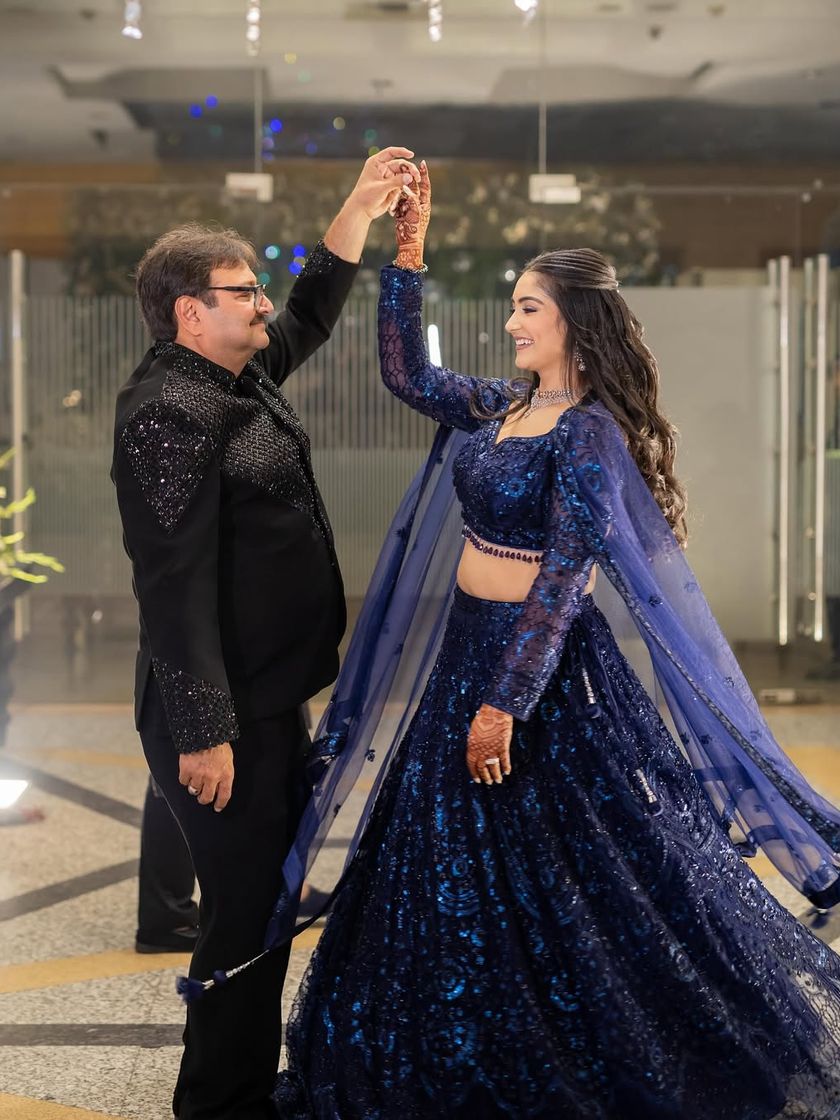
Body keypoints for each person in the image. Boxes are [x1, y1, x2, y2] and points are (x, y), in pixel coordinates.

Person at [274, 164, 840, 1118]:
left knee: (582, 872)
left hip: (538, 677)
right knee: (443, 862)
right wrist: (408, 253)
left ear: (575, 319)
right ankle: (451, 1055)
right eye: (513, 308)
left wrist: (506, 703)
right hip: (464, 657)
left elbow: (567, 577)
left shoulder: (587, 433)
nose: (512, 324)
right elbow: (407, 375)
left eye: (528, 308)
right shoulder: (505, 406)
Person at [111, 147, 420, 1120]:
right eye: (241, 291)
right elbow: (171, 586)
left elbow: (309, 314)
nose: (260, 304)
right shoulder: (169, 411)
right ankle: (216, 1103)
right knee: (242, 915)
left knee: (265, 905)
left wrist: (358, 209)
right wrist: (205, 731)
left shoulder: (235, 377)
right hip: (220, 714)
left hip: (268, 697)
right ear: (188, 311)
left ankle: (240, 1088)